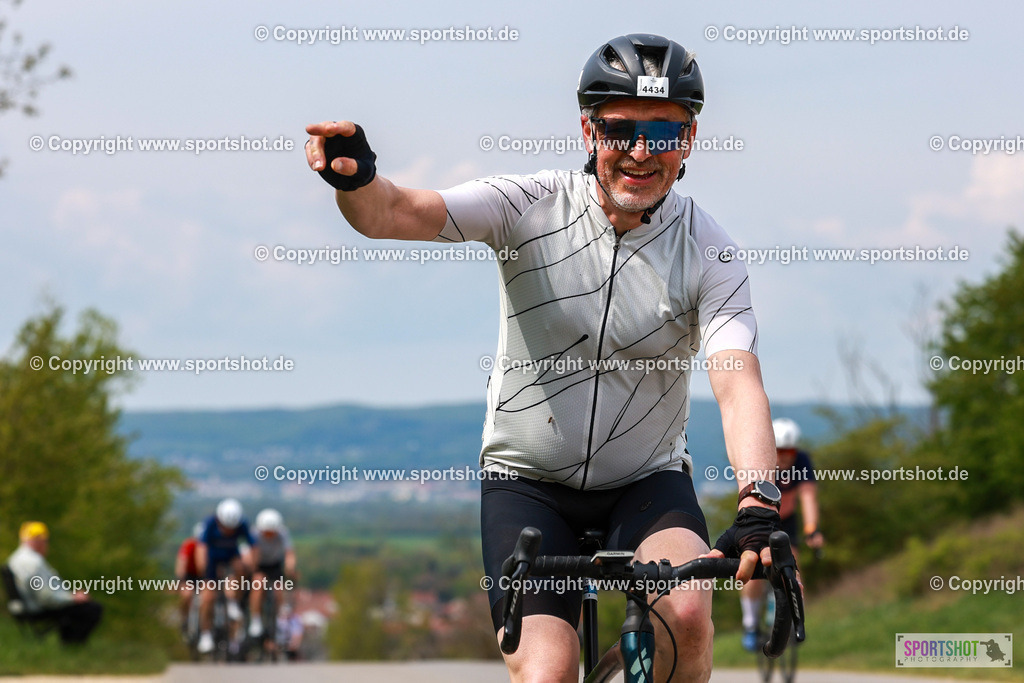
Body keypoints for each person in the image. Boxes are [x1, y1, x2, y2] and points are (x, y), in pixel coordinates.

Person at [305, 33, 781, 683]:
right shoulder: (527, 205)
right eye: (621, 129)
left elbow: (737, 381)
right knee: (549, 671)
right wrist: (357, 180)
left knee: (689, 613)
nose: (641, 152)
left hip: (646, 482)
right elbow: (393, 212)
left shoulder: (710, 251)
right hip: (528, 483)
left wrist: (758, 500)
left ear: (689, 139)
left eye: (663, 133)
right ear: (588, 130)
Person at [740, 418, 823, 651]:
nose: (786, 457)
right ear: (771, 448)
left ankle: (796, 620)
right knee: (753, 570)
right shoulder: (760, 461)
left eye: (790, 451)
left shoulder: (802, 461)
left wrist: (812, 528)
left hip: (787, 520)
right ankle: (750, 624)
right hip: (760, 519)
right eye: (780, 451)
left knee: (794, 566)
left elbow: (807, 496)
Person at [5, 521, 103, 644]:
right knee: (93, 609)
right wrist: (72, 598)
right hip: (37, 607)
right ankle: (72, 645)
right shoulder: (33, 563)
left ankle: (70, 645)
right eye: (46, 541)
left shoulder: (16, 558)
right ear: (38, 541)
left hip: (25, 606)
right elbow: (47, 597)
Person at [195, 498, 254, 655]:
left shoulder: (242, 524)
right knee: (207, 598)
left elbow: (253, 547)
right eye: (225, 527)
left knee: (241, 568)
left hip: (231, 556)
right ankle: (206, 635)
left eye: (231, 529)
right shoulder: (209, 523)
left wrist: (252, 566)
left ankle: (234, 601)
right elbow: (201, 548)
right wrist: (203, 571)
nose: (228, 531)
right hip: (212, 560)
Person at [247, 508, 296, 640]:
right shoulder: (253, 534)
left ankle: (279, 620)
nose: (269, 535)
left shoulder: (283, 533)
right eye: (266, 533)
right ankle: (256, 619)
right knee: (258, 585)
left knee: (279, 590)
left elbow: (289, 553)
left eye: (272, 533)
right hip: (259, 564)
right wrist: (252, 569)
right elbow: (250, 554)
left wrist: (290, 567)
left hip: (275, 564)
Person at [174, 521, 204, 637]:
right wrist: (181, 579)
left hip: (205, 575)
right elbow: (182, 562)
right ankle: (184, 619)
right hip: (189, 575)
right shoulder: (189, 545)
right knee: (186, 595)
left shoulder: (210, 546)